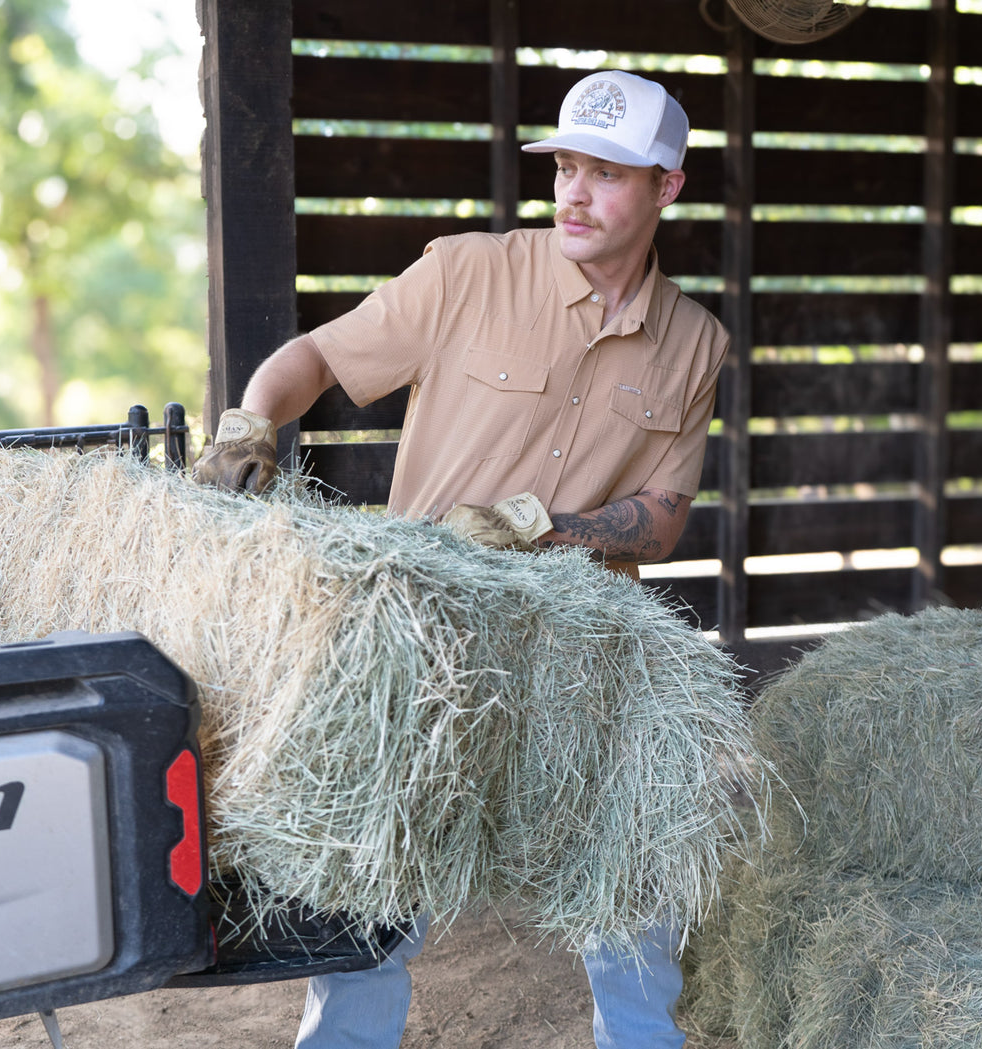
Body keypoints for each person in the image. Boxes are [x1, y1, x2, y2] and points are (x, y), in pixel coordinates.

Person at [195, 69, 729, 1049]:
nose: (573, 190)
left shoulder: (694, 342)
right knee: (374, 887)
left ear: (666, 187)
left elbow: (657, 518)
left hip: (579, 655)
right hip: (426, 642)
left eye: (606, 173)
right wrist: (244, 425)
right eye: (565, 164)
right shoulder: (468, 271)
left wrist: (536, 524)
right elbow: (313, 356)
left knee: (625, 877)